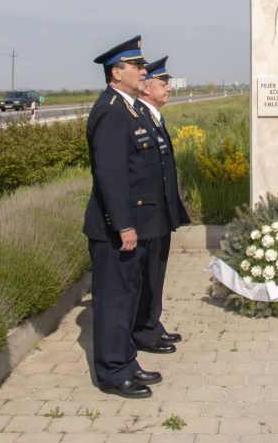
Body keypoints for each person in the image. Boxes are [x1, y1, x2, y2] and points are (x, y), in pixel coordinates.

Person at [83, 35, 163, 399]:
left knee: (128, 298)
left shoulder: (129, 108)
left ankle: (126, 361)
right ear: (116, 73)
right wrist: (125, 225)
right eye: (136, 66)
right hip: (116, 228)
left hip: (133, 225)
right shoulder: (111, 111)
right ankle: (112, 372)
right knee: (114, 300)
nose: (143, 71)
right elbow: (111, 175)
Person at [132, 56, 190, 354]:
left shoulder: (153, 115)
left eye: (168, 82)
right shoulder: (138, 115)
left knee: (157, 271)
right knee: (147, 273)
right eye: (162, 82)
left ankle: (152, 324)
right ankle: (143, 330)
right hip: (147, 214)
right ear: (145, 87)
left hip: (160, 212)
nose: (168, 87)